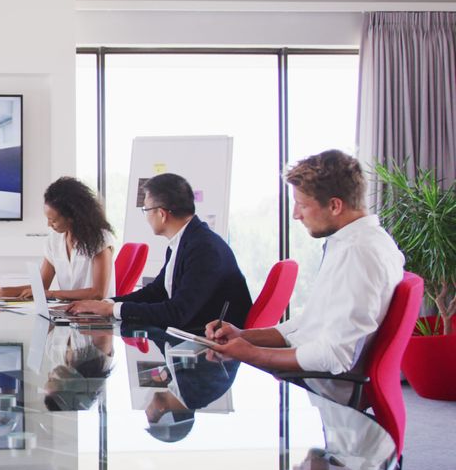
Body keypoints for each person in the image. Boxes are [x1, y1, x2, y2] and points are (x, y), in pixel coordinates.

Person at [205, 150, 405, 404]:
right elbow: (313, 321)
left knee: (212, 392)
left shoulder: (358, 254)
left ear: (335, 205)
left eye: (303, 204)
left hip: (322, 390)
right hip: (314, 381)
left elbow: (336, 355)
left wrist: (253, 354)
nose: (296, 215)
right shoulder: (353, 243)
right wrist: (243, 336)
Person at [65, 173, 252, 332]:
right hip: (190, 339)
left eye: (146, 209)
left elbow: (177, 313)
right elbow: (157, 292)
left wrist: (112, 309)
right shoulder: (184, 241)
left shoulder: (203, 248)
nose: (146, 216)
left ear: (162, 214)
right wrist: (106, 303)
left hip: (210, 352)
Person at [0, 177, 116, 301]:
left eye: (53, 220)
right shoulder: (54, 240)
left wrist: (53, 294)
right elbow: (40, 286)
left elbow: (98, 293)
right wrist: (1, 292)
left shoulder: (101, 239)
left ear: (72, 216)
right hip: (71, 315)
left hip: (98, 318)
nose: (48, 225)